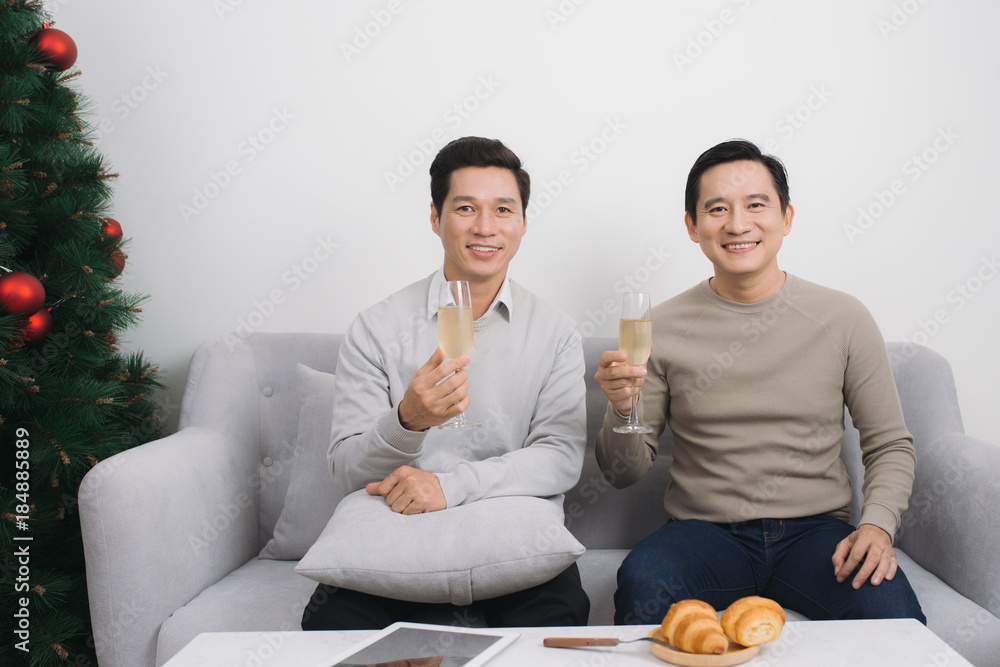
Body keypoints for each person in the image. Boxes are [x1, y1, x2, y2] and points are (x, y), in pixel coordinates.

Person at [594, 139, 925, 625]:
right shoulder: (656, 328)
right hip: (704, 533)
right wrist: (622, 409)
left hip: (817, 536)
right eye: (716, 209)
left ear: (786, 218)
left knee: (892, 615)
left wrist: (878, 526)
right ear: (692, 226)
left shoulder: (843, 318)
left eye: (756, 205)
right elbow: (624, 473)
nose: (737, 223)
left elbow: (890, 443)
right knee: (644, 579)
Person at [302, 136, 590, 630]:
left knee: (558, 622)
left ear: (522, 223)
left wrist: (452, 486)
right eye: (465, 208)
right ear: (435, 218)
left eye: (503, 209)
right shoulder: (377, 327)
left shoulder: (555, 331)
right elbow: (347, 473)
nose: (485, 227)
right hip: (393, 541)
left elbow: (562, 457)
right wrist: (407, 421)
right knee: (331, 627)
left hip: (513, 543)